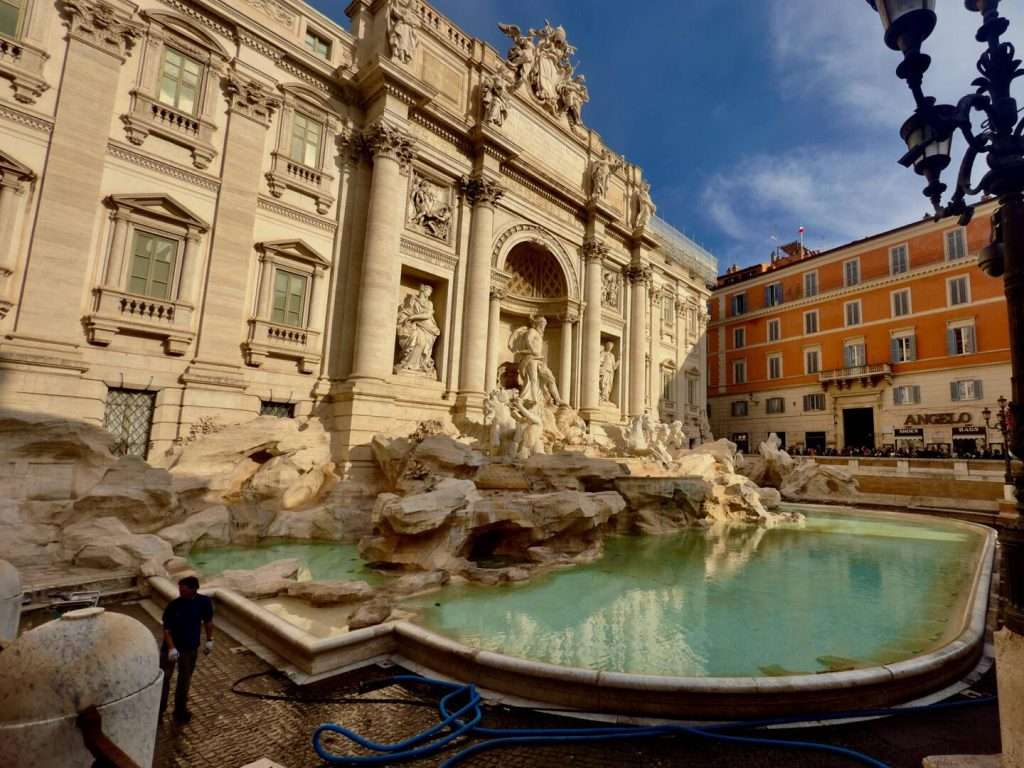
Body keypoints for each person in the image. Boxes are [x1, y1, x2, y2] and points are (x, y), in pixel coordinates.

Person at [160, 575, 214, 724]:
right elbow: (166, 629)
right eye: (180, 590)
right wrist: (171, 648)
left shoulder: (204, 602)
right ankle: (159, 711)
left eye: (183, 590)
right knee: (164, 679)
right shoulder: (174, 605)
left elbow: (208, 621)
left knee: (184, 680)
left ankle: (180, 711)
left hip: (189, 648)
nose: (180, 593)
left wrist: (210, 640)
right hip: (170, 647)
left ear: (194, 589)